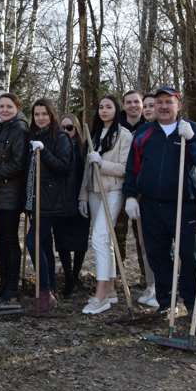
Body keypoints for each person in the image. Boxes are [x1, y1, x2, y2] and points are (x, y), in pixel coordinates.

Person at [123, 86, 196, 317]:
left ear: (178, 105)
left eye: (169, 102)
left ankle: (194, 305)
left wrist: (192, 141)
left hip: (184, 204)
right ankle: (166, 301)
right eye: (159, 101)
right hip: (151, 205)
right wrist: (130, 196)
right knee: (157, 254)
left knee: (190, 256)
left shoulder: (191, 130)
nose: (163, 106)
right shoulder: (143, 133)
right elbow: (132, 168)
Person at [79, 96, 132, 315]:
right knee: (106, 240)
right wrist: (83, 195)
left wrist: (102, 163)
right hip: (94, 191)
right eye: (100, 107)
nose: (104, 110)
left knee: (100, 237)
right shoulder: (93, 134)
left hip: (113, 190)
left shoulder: (124, 135)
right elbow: (87, 169)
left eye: (108, 107)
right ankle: (110, 289)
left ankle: (100, 295)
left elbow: (124, 168)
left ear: (116, 110)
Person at [25, 98, 74, 313]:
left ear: (51, 115)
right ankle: (51, 289)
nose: (40, 118)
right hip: (36, 200)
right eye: (36, 114)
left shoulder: (60, 138)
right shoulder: (33, 136)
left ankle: (44, 291)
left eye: (44, 113)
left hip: (52, 201)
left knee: (32, 242)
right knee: (43, 244)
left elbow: (64, 167)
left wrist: (43, 151)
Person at [0, 92, 29, 303]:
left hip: (10, 195)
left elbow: (17, 164)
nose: (4, 109)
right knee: (0, 240)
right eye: (1, 106)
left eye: (9, 106)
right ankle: (3, 283)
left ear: (17, 108)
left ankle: (12, 285)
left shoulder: (19, 130)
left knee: (9, 239)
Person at [114, 90, 152, 296]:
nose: (133, 106)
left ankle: (147, 276)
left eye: (136, 102)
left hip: (142, 188)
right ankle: (118, 275)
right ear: (124, 105)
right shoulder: (116, 126)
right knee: (118, 232)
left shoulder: (149, 126)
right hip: (119, 185)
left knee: (142, 235)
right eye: (128, 102)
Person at [55, 113, 89, 298]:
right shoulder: (57, 145)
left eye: (70, 128)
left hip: (81, 197)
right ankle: (68, 278)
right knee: (62, 241)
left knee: (79, 241)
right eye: (63, 128)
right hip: (60, 200)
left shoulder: (84, 149)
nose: (67, 131)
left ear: (76, 129)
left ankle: (76, 276)